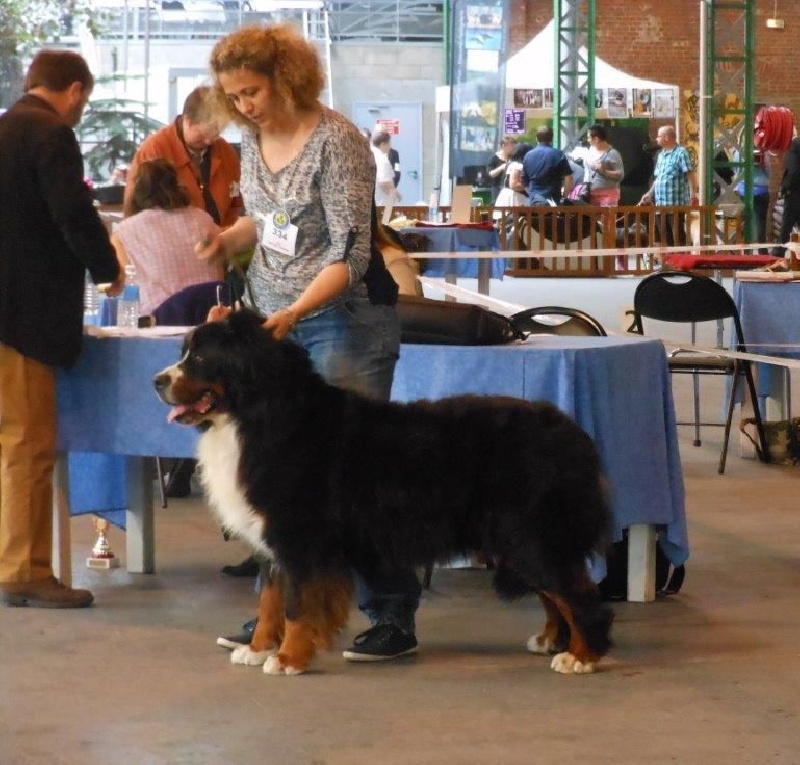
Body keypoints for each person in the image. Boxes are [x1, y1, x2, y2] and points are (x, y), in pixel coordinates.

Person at [200, 23, 421, 662]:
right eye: (234, 96)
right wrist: (227, 240)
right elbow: (267, 223)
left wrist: (294, 310)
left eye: (253, 91)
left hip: (341, 324)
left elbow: (351, 254)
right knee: (285, 490)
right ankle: (284, 617)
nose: (245, 106)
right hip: (276, 329)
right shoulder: (249, 138)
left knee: (356, 483)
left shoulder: (339, 143)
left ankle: (393, 615)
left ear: (287, 78)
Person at [0, 50, 124, 609]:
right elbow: (73, 212)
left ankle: (15, 561)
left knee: (11, 444)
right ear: (74, 90)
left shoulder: (5, 127)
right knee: (29, 446)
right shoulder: (49, 133)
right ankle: (23, 569)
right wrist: (106, 271)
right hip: (23, 317)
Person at [112, 158, 223, 316]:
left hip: (158, 326)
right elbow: (219, 276)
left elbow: (123, 290)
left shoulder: (124, 234)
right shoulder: (204, 220)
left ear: (138, 190)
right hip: (210, 320)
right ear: (177, 185)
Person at [124, 85, 243, 228]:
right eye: (204, 134)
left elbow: (235, 205)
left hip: (222, 242)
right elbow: (134, 214)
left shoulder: (226, 152)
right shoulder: (154, 150)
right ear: (187, 120)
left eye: (217, 133)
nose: (209, 140)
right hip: (170, 244)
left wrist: (227, 236)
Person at [639, 125, 698, 247]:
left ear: (666, 137)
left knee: (678, 236)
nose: (656, 139)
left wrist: (693, 195)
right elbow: (658, 178)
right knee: (664, 238)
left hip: (676, 204)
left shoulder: (681, 153)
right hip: (661, 205)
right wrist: (649, 194)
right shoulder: (661, 155)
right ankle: (668, 263)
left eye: (659, 136)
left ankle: (681, 263)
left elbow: (690, 174)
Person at [521, 125, 574, 205]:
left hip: (534, 202)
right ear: (551, 138)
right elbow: (569, 179)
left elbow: (524, 181)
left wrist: (533, 195)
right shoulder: (558, 154)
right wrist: (564, 196)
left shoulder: (528, 155)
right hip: (554, 200)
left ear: (536, 138)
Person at [735, 151, 770, 254]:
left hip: (744, 190)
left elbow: (736, 169)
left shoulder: (739, 151)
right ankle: (762, 251)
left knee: (745, 220)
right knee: (761, 222)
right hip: (761, 190)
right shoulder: (764, 150)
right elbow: (768, 170)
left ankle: (745, 250)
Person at [584, 123, 625, 207]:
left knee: (607, 219)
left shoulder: (613, 153)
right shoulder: (590, 151)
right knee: (594, 220)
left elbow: (620, 175)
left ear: (596, 139)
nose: (587, 140)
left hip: (608, 195)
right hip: (592, 193)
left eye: (588, 137)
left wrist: (604, 171)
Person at [776, 134, 800, 256]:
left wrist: (786, 187)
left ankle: (777, 258)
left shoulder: (794, 145)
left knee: (786, 229)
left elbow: (794, 171)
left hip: (795, 195)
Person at [371, 131, 401, 207]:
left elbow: (397, 170)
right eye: (389, 144)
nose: (390, 147)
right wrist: (396, 195)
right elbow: (384, 182)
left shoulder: (371, 155)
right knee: (385, 219)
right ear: (383, 144)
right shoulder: (382, 159)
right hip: (383, 203)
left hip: (375, 201)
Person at [486, 136, 517, 203]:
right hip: (497, 188)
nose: (513, 148)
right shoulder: (494, 158)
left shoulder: (513, 158)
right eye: (511, 146)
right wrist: (501, 168)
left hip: (509, 189)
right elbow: (490, 174)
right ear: (503, 146)